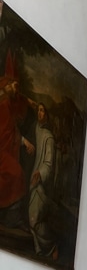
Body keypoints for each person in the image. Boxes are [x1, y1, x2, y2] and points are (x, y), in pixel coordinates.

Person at [0, 72, 36, 223]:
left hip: (5, 149)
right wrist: (23, 141)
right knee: (17, 174)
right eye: (14, 86)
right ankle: (10, 217)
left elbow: (19, 99)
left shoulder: (9, 100)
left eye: (17, 87)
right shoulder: (3, 104)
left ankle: (10, 216)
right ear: (6, 86)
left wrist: (28, 100)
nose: (16, 90)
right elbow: (5, 133)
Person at [28, 103, 58, 259]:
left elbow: (49, 163)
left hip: (40, 184)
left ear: (46, 115)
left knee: (34, 220)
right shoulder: (36, 130)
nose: (39, 113)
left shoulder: (48, 137)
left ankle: (51, 246)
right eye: (38, 110)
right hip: (32, 180)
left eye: (42, 111)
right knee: (31, 219)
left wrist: (40, 173)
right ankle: (40, 250)